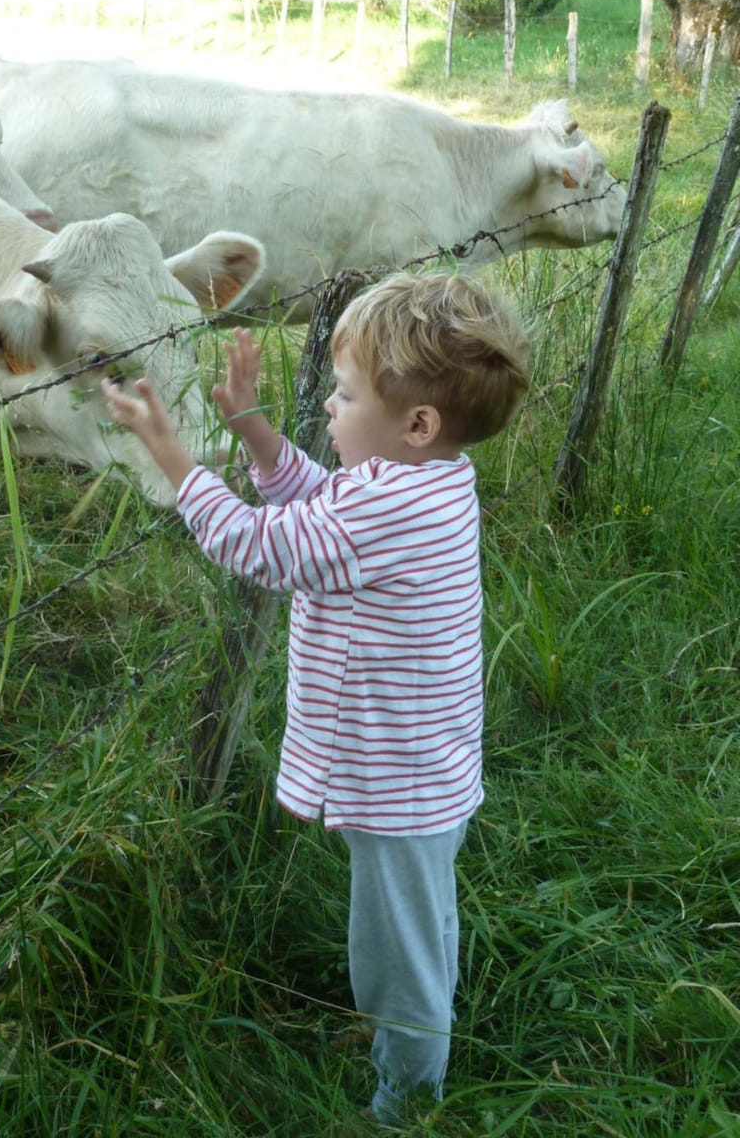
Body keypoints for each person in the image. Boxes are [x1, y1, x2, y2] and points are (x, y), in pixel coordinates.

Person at [102, 271, 532, 1128]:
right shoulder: (424, 479)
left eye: (344, 395)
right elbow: (323, 503)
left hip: (401, 786)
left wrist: (173, 457)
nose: (330, 408)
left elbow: (263, 547)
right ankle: (410, 1044)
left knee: (396, 957)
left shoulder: (393, 507)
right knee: (420, 927)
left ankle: (406, 1100)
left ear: (417, 423)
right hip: (422, 770)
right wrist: (253, 430)